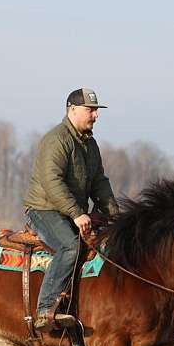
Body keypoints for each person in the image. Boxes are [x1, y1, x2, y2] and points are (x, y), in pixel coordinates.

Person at [24, 88, 119, 331]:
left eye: (97, 111)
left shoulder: (90, 144)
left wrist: (115, 216)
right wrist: (77, 213)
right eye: (91, 110)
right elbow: (51, 181)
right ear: (72, 110)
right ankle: (45, 311)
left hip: (70, 211)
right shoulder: (57, 140)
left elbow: (99, 181)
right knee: (71, 246)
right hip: (44, 210)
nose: (95, 115)